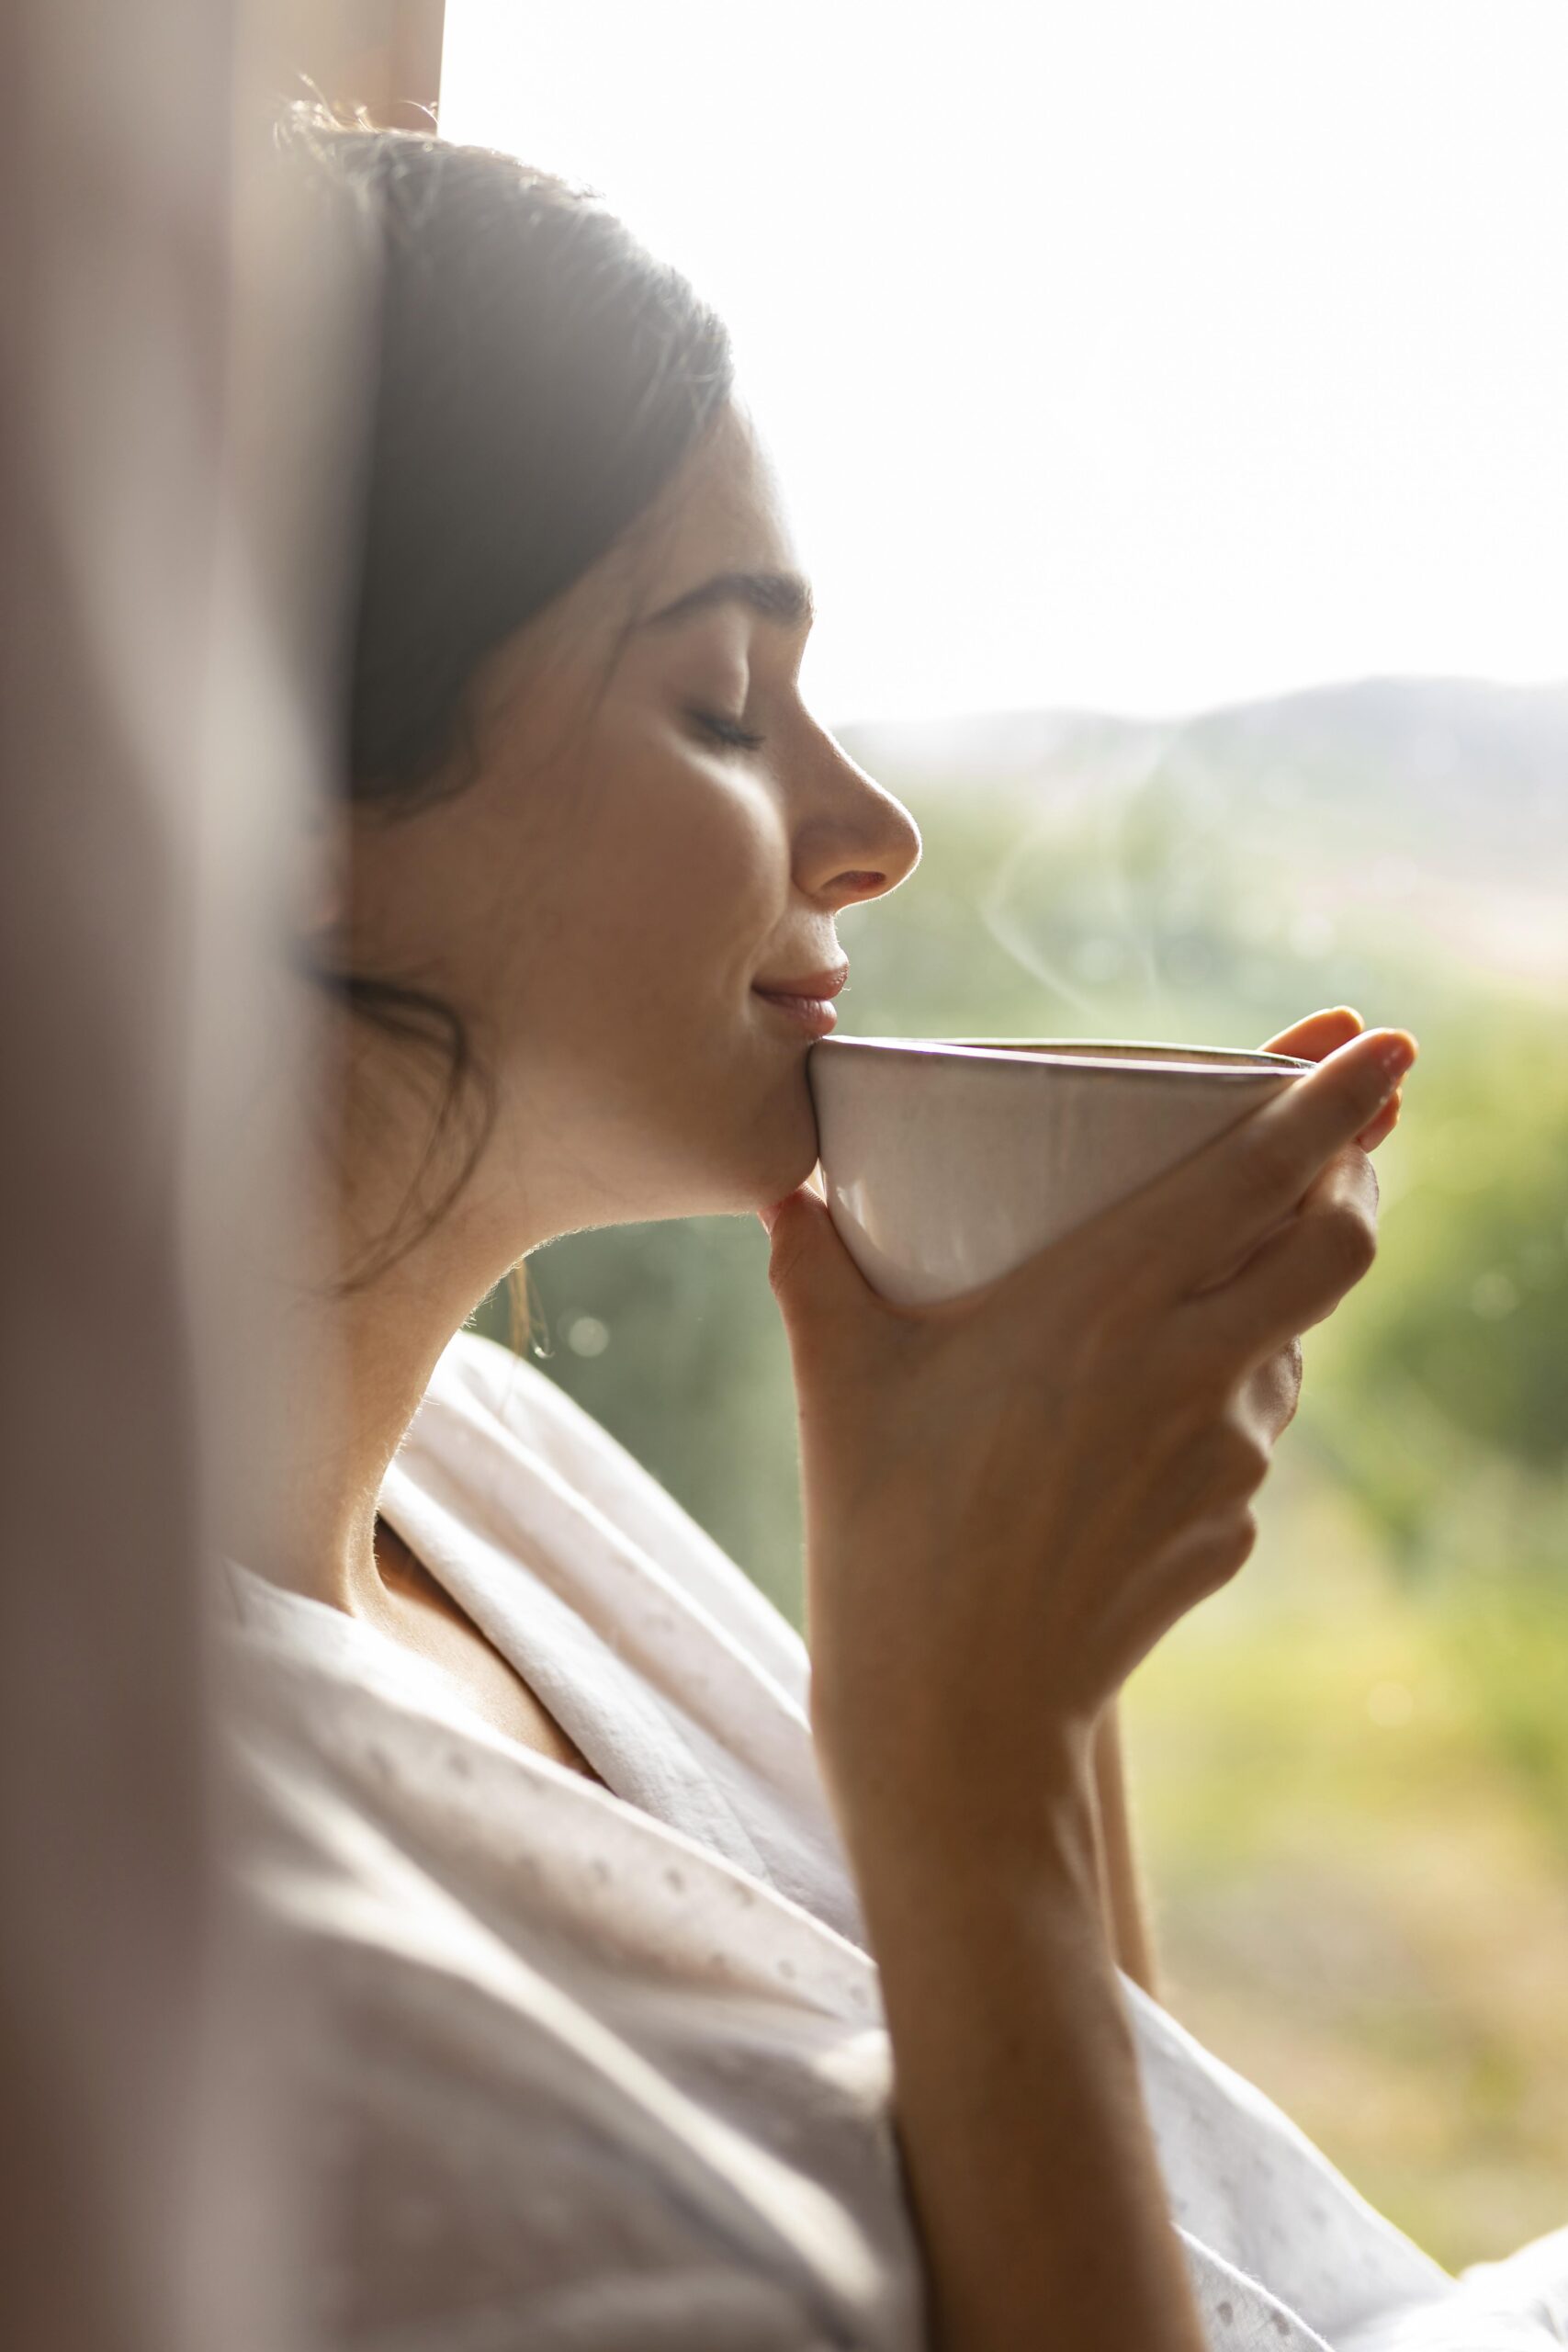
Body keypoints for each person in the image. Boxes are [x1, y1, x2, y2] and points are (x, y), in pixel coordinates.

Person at [221, 110, 1567, 2351]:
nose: (869, 827)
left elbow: (1107, 2195)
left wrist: (1036, 1594)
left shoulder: (485, 1473)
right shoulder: (177, 1899)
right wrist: (968, 1763)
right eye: (721, 704)